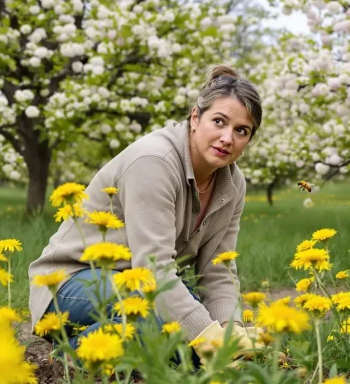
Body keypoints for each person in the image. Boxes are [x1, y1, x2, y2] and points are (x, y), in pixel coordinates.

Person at [28, 65, 263, 359]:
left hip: (139, 285)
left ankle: (104, 340)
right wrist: (208, 336)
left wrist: (231, 332)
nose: (227, 137)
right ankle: (72, 356)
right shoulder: (154, 161)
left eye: (241, 131)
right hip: (70, 282)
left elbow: (218, 271)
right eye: (218, 121)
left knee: (186, 334)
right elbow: (154, 269)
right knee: (176, 337)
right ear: (194, 117)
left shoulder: (232, 184)